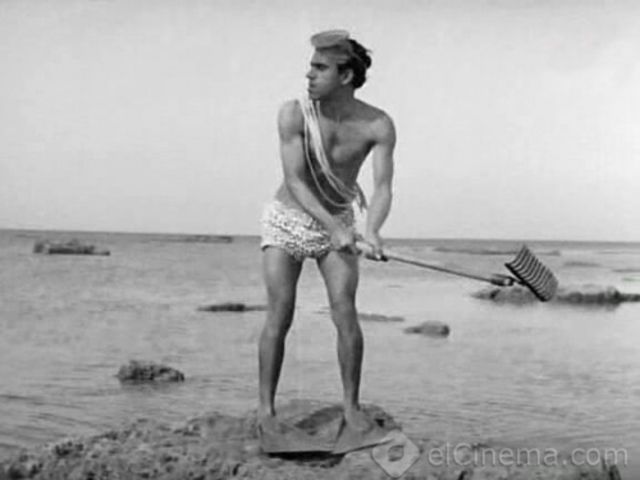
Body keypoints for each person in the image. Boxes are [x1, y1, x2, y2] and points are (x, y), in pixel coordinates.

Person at [258, 30, 396, 436]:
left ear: (346, 76)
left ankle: (351, 408)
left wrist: (373, 231)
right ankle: (266, 413)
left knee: (345, 312)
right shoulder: (293, 114)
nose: (309, 75)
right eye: (311, 66)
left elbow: (383, 187)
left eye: (320, 68)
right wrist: (335, 227)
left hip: (339, 222)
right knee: (280, 313)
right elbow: (295, 180)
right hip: (288, 219)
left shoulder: (378, 124)